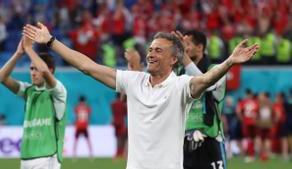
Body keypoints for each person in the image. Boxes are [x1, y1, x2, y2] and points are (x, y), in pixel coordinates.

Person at [23, 22, 259, 169]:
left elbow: (206, 80)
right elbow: (88, 67)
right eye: (150, 49)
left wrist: (230, 61)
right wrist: (52, 42)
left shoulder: (181, 87)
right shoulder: (133, 81)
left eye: (158, 50)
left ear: (173, 59)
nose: (151, 53)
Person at [0, 36, 67, 169]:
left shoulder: (58, 92)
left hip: (47, 158)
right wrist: (18, 54)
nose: (33, 73)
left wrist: (28, 49)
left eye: (36, 69)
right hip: (26, 158)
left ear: (50, 70)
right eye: (31, 69)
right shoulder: (28, 91)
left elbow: (44, 71)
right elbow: (1, 77)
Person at [172, 30, 227, 169]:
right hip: (185, 141)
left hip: (211, 140)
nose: (184, 48)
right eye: (182, 44)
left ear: (200, 47)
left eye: (187, 44)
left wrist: (183, 56)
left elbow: (206, 83)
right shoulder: (180, 73)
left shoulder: (216, 69)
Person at [111, 93, 128, 159]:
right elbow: (125, 113)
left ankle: (117, 154)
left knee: (118, 138)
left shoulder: (112, 103)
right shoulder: (123, 104)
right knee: (124, 138)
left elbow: (113, 112)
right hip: (122, 123)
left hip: (115, 122)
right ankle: (124, 154)